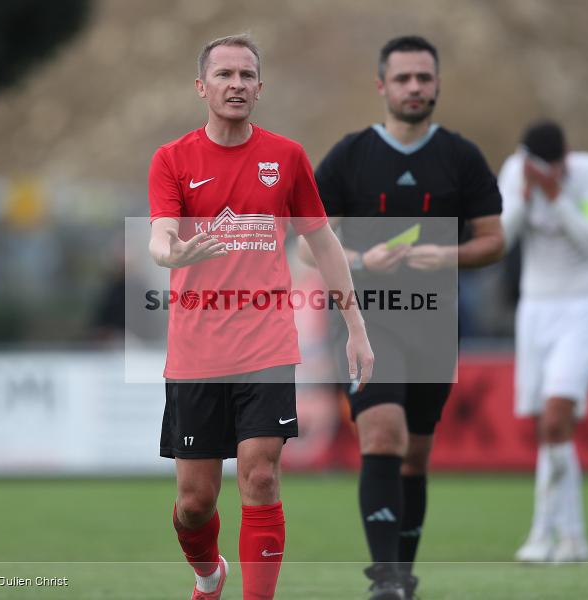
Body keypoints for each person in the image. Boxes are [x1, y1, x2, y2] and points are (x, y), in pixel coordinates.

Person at [147, 34, 373, 600]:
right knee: (195, 504)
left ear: (260, 88)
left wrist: (358, 330)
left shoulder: (287, 157)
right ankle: (208, 575)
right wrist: (170, 251)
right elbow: (159, 236)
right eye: (224, 75)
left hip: (267, 344)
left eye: (246, 76)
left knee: (261, 476)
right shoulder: (172, 159)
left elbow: (323, 246)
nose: (236, 85)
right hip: (196, 351)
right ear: (202, 87)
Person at [302, 35, 504, 599]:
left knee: (415, 453)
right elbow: (305, 244)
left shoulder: (461, 157)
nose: (414, 87)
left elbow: (495, 240)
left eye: (424, 78)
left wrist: (450, 255)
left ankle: (403, 575)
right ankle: (385, 578)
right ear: (382, 86)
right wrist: (363, 258)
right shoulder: (351, 154)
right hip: (367, 320)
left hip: (435, 322)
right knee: (382, 434)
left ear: (436, 84)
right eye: (403, 78)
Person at [499, 120, 588, 563]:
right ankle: (571, 538)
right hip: (536, 309)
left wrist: (557, 197)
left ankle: (540, 533)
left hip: (584, 307)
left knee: (555, 418)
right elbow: (502, 238)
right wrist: (525, 198)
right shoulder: (516, 172)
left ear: (566, 155)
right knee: (549, 429)